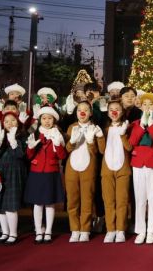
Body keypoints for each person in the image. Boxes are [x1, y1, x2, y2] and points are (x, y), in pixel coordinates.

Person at [128, 93, 153, 244]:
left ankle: (151, 230)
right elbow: (132, 141)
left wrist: (150, 125)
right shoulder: (136, 123)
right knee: (140, 199)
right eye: (144, 104)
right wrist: (142, 125)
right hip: (138, 163)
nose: (147, 107)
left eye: (150, 105)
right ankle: (140, 230)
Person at [24, 106, 66, 243]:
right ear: (40, 119)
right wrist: (30, 148)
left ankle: (48, 231)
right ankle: (38, 230)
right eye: (44, 118)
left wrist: (58, 144)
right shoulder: (35, 133)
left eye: (49, 118)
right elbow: (29, 157)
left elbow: (62, 155)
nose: (47, 121)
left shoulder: (58, 134)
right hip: (36, 172)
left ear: (54, 120)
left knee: (49, 203)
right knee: (37, 204)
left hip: (51, 172)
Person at [0, 110, 27, 245]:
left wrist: (13, 140)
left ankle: (13, 233)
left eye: (13, 120)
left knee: (11, 205)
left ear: (18, 122)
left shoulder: (22, 136)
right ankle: (5, 232)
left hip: (14, 172)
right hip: (0, 171)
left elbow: (20, 155)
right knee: (0, 205)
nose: (10, 123)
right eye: (6, 121)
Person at [66, 102, 103, 243]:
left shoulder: (95, 128)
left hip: (88, 168)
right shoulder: (71, 127)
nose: (82, 113)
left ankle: (85, 229)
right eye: (79, 110)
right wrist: (72, 142)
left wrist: (91, 142)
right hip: (72, 169)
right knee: (72, 201)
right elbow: (66, 150)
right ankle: (75, 229)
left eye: (85, 110)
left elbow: (98, 152)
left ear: (90, 112)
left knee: (87, 200)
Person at [99, 101, 131, 243]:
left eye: (117, 109)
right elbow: (101, 150)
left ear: (122, 112)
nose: (114, 112)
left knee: (122, 200)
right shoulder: (104, 129)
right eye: (111, 109)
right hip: (107, 169)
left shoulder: (127, 127)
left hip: (123, 168)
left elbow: (129, 148)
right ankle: (110, 229)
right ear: (107, 112)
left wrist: (123, 135)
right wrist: (99, 136)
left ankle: (120, 230)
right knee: (108, 200)